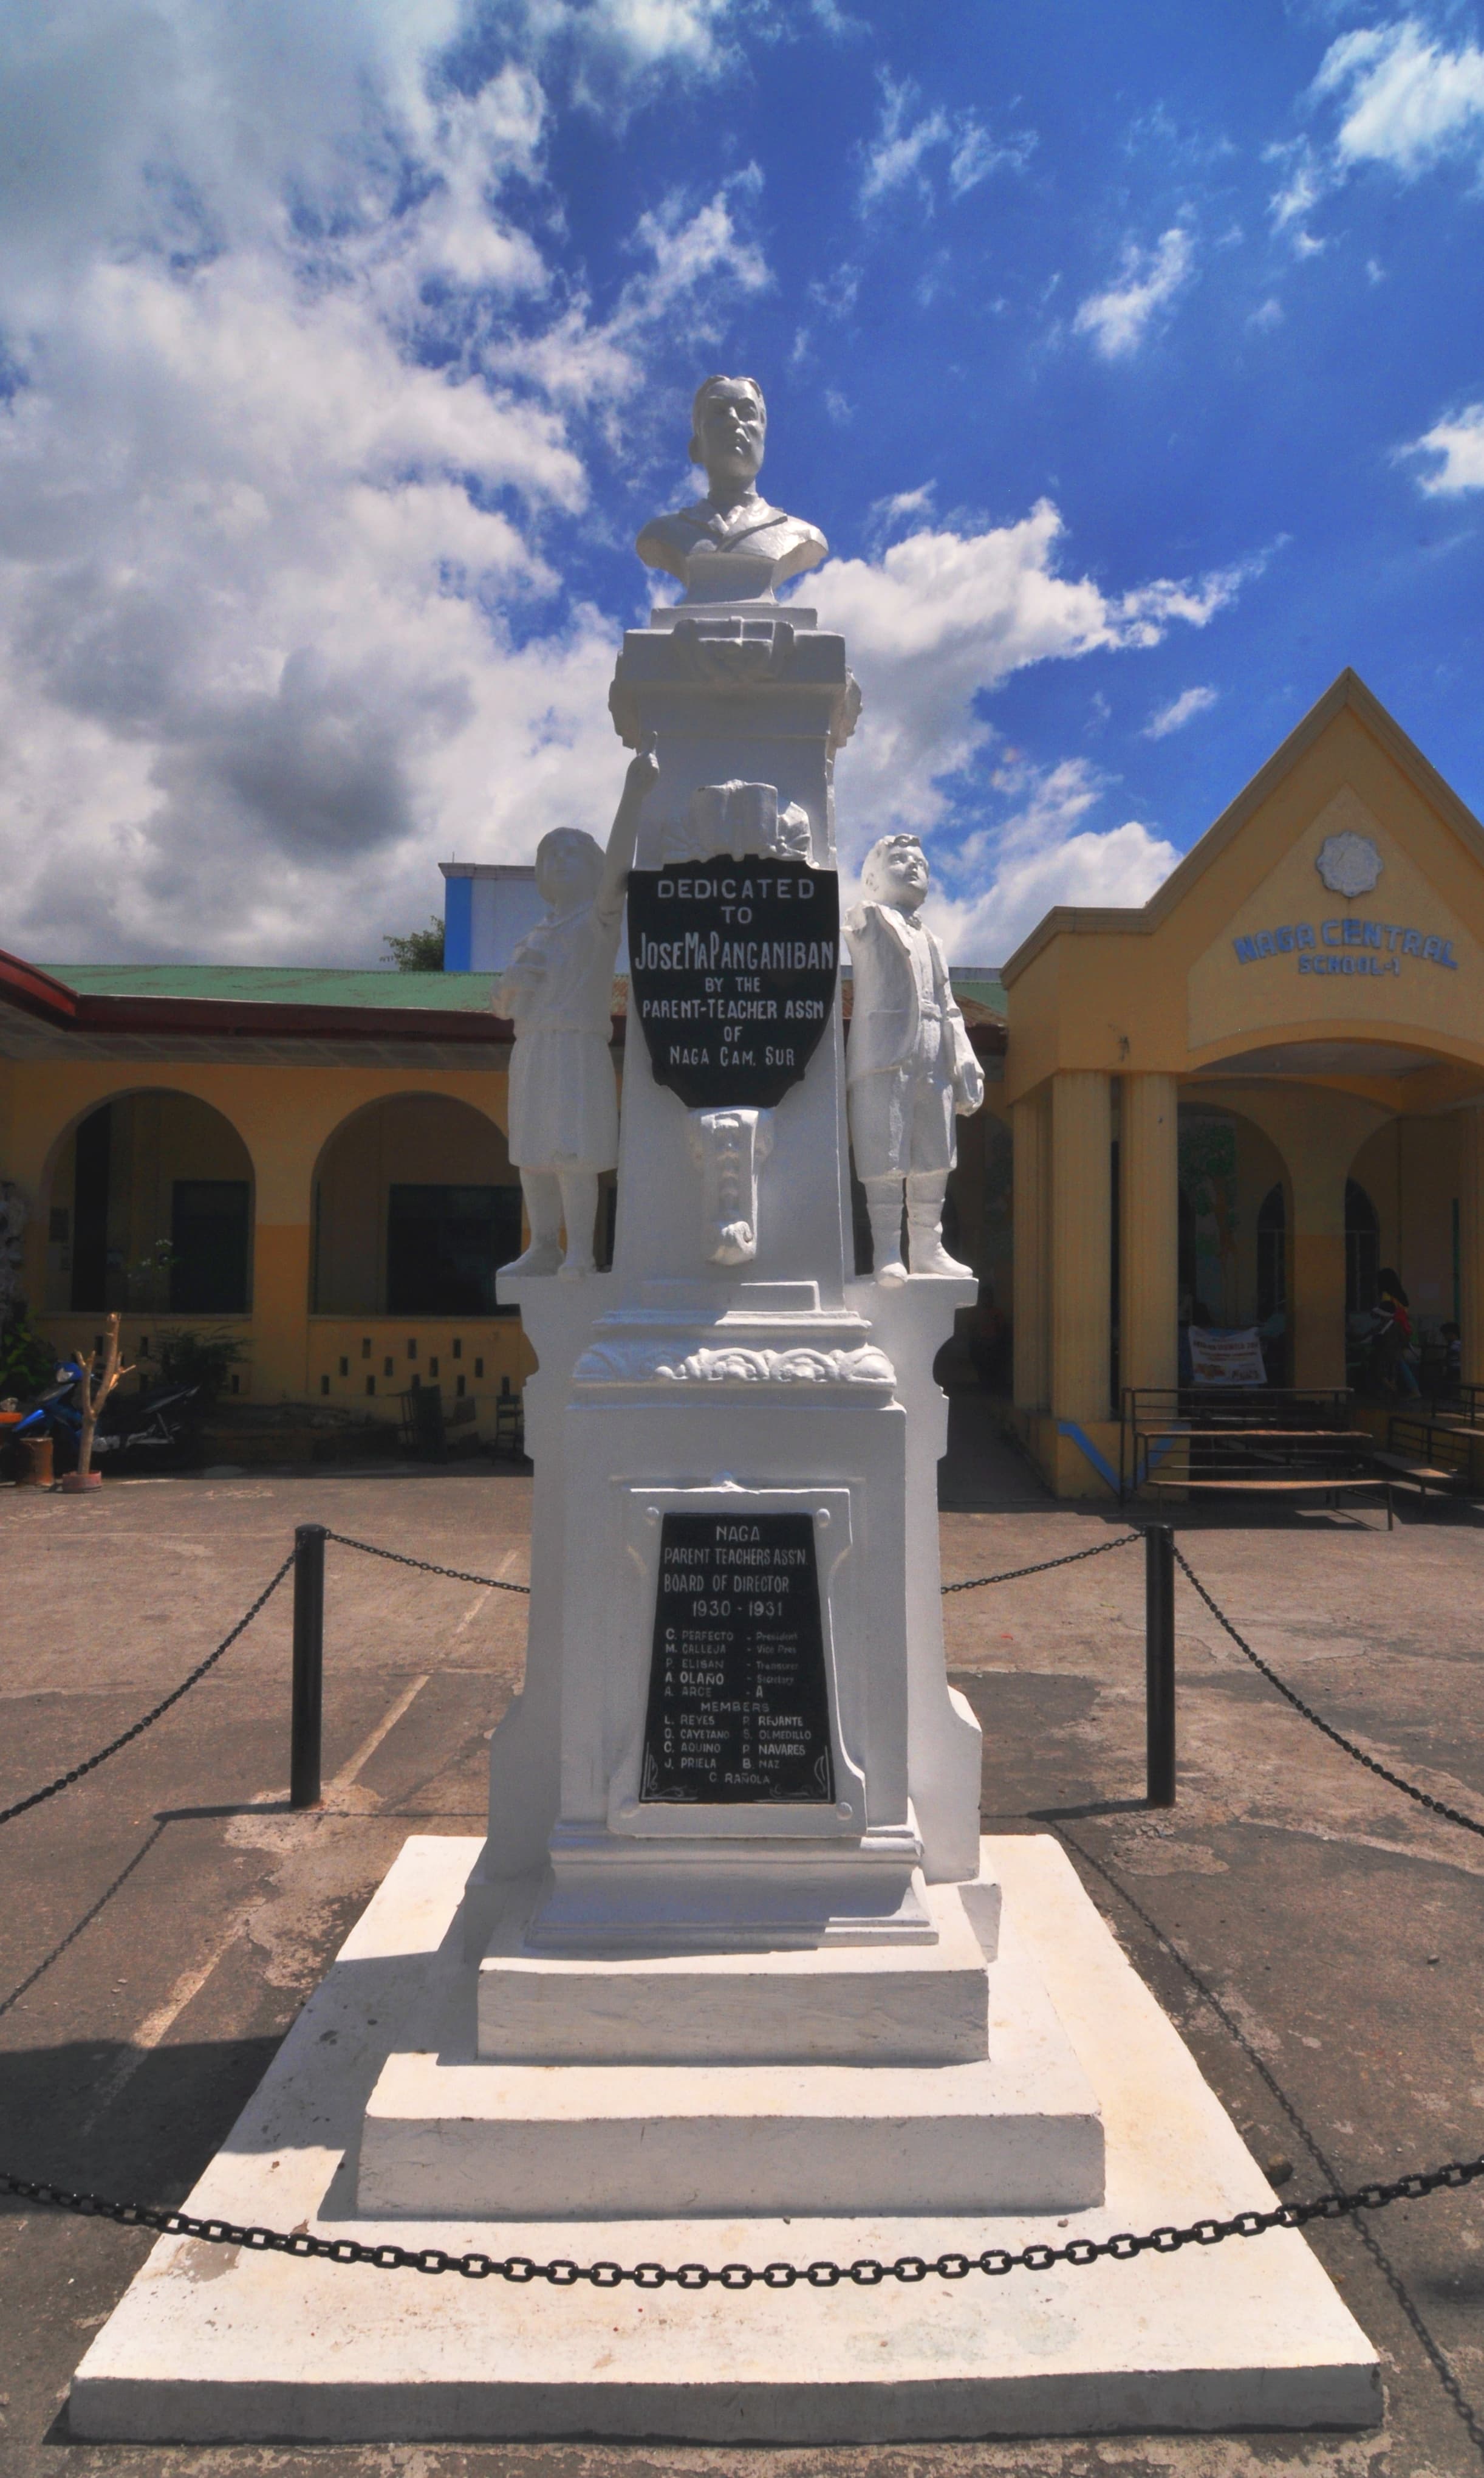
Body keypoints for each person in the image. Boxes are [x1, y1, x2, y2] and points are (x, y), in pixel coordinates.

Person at [498, 737, 658, 1278]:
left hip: (575, 1044)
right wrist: (510, 987)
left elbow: (617, 870)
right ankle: (542, 1243)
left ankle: (580, 1253)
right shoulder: (534, 933)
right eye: (552, 854)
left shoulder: (597, 921)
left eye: (573, 854)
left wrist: (632, 795)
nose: (561, 861)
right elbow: (500, 1007)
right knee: (531, 1153)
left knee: (573, 1152)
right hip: (532, 1046)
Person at [844, 832, 983, 1283]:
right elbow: (851, 929)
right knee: (884, 1149)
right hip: (885, 1051)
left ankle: (926, 1245)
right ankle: (887, 1248)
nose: (913, 866)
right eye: (899, 859)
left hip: (933, 1049)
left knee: (934, 1151)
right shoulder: (866, 918)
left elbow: (948, 1004)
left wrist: (962, 1055)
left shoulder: (934, 940)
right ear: (870, 878)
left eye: (919, 860)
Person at [635, 375, 828, 597]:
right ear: (696, 445)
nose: (733, 421)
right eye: (718, 412)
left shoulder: (802, 534)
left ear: (763, 436)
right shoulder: (663, 532)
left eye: (747, 413)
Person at [1374, 1266, 1420, 1398]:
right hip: (1405, 1329)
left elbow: (1386, 1313)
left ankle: (1412, 1389)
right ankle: (1396, 1388)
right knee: (1397, 1362)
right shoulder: (1402, 1295)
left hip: (1391, 1330)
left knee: (1393, 1362)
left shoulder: (1386, 1296)